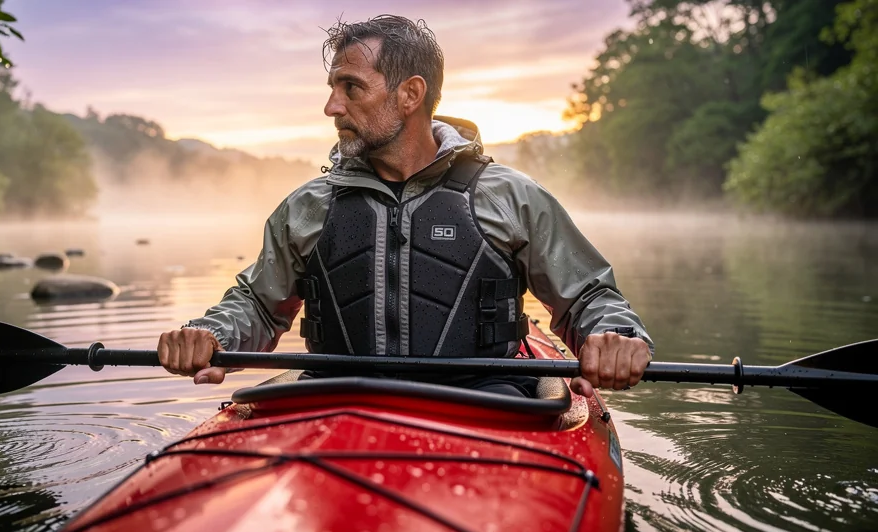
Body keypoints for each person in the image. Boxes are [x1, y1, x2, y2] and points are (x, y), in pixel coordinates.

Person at [157, 15, 653, 398]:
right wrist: (209, 333)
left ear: (411, 93)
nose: (331, 107)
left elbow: (587, 297)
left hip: (488, 399)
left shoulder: (509, 196)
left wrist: (614, 335)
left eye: (351, 87)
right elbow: (256, 306)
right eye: (332, 89)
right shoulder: (309, 206)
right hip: (337, 401)